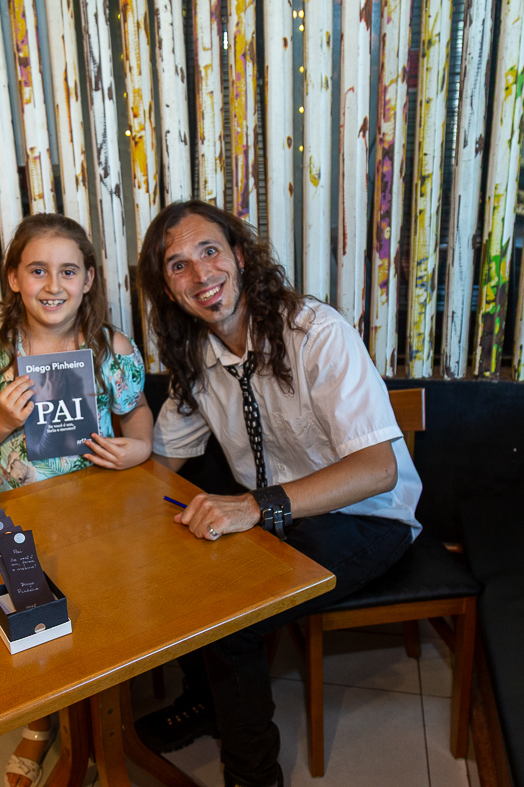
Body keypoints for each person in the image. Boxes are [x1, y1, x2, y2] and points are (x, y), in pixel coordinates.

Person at [135, 200, 422, 787]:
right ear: (167, 289)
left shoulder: (315, 333)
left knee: (232, 618)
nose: (201, 274)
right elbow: (162, 461)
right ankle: (207, 702)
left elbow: (378, 470)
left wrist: (254, 507)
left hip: (367, 517)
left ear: (240, 256)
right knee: (180, 568)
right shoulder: (196, 355)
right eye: (178, 265)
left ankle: (253, 777)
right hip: (278, 519)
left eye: (210, 251)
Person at [0, 213, 154, 787]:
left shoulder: (111, 349)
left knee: (99, 607)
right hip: (24, 517)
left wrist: (140, 448)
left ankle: (106, 715)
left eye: (68, 271)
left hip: (103, 513)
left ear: (88, 279)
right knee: (34, 610)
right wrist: (1, 421)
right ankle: (43, 718)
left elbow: (137, 411)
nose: (53, 285)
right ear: (13, 278)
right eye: (37, 270)